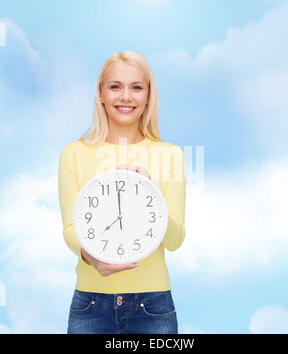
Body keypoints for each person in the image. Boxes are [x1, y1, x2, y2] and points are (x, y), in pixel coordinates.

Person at [58, 50, 186, 334]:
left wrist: (151, 195)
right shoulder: (74, 153)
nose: (126, 96)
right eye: (115, 86)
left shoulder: (170, 155)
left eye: (136, 87)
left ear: (148, 96)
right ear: (101, 94)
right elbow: (70, 228)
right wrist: (91, 258)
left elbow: (176, 240)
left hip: (153, 306)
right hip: (90, 305)